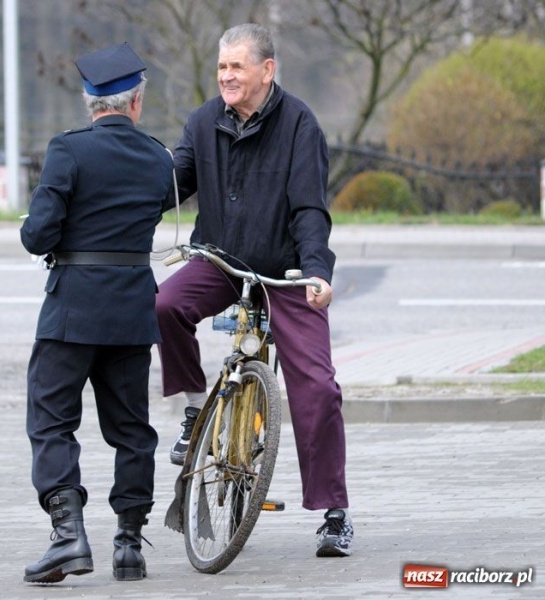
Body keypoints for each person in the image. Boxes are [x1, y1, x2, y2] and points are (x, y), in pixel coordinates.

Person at [156, 24, 353, 557]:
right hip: (221, 260)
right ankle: (197, 408)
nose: (226, 76)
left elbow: (311, 208)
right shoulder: (202, 120)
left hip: (285, 273)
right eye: (222, 67)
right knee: (165, 305)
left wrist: (317, 272)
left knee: (317, 386)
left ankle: (334, 512)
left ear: (267, 70)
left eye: (236, 67)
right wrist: (117, 201)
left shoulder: (299, 125)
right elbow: (173, 182)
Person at [20, 42, 174, 583]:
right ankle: (129, 545)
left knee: (51, 419)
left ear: (92, 103)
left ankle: (68, 537)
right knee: (132, 430)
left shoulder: (68, 150)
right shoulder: (159, 157)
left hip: (73, 308)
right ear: (135, 104)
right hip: (132, 308)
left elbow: (37, 235)